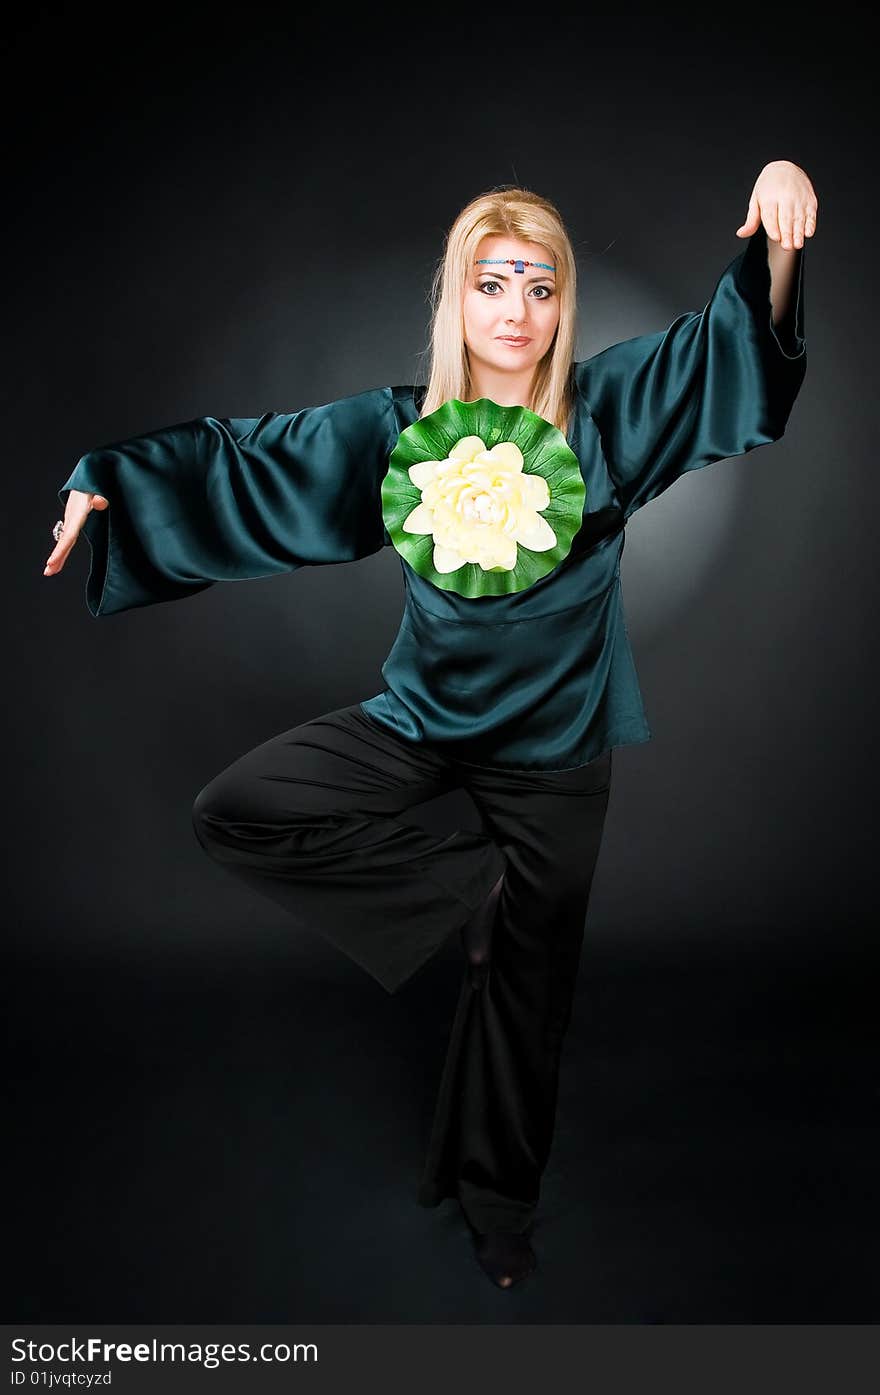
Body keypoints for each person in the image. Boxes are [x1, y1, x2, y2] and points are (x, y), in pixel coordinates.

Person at [43, 164, 816, 1289]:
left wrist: (783, 224)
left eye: (539, 287)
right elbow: (248, 463)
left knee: (526, 995)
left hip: (556, 755)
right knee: (241, 811)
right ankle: (466, 898)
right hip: (420, 725)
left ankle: (498, 1204)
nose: (515, 310)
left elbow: (728, 350)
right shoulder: (398, 434)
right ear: (456, 301)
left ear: (561, 308)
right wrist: (105, 482)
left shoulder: (609, 415)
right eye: (492, 283)